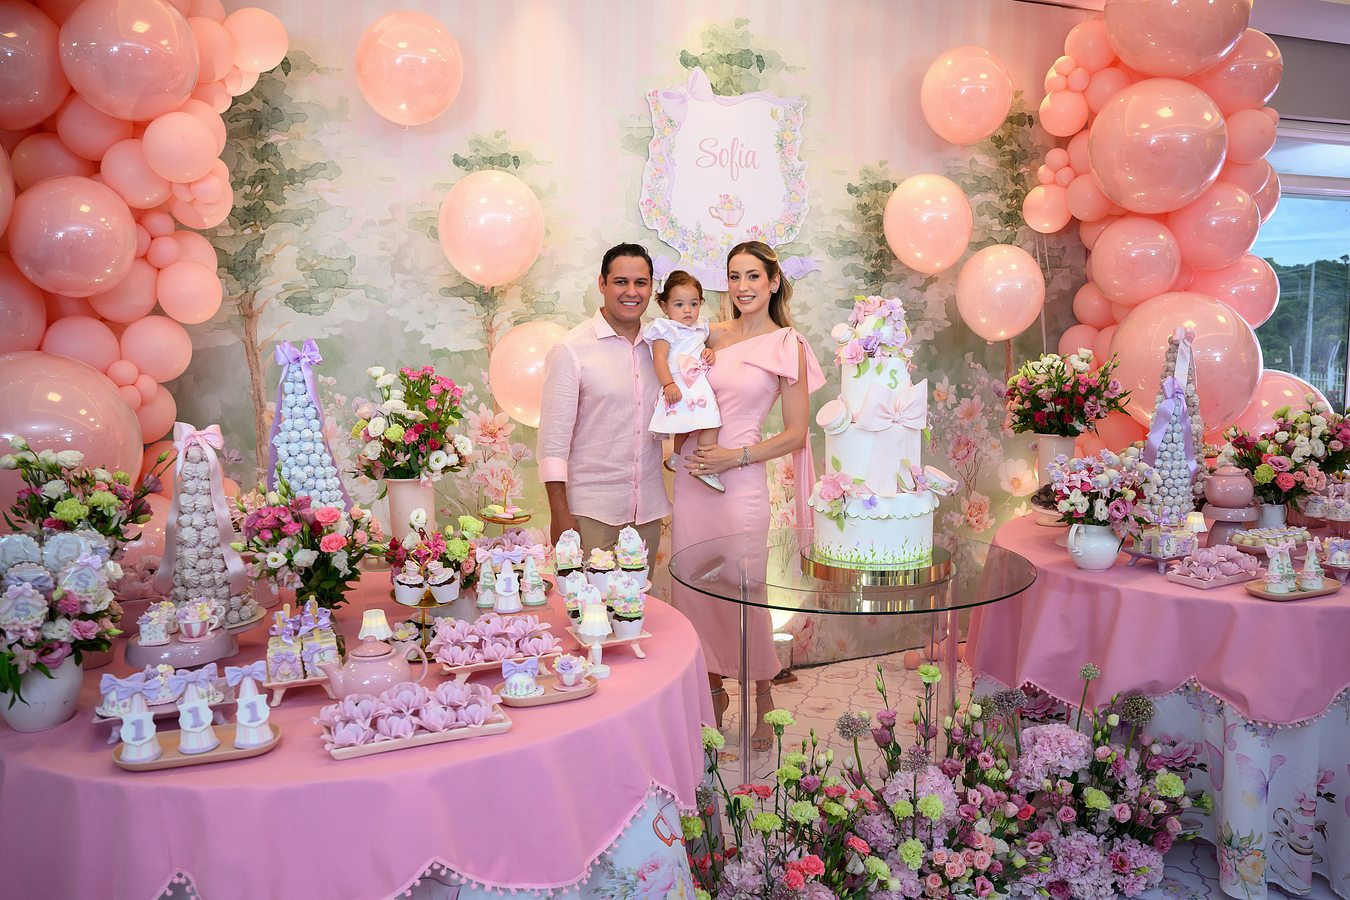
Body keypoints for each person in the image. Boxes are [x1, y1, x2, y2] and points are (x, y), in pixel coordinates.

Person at [670, 241, 824, 752]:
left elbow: (796, 434)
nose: (742, 286)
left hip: (740, 481)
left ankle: (761, 697)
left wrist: (733, 458)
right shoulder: (709, 334)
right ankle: (712, 695)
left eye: (753, 276)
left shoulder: (787, 344)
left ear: (773, 282)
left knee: (744, 589)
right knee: (693, 587)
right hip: (694, 477)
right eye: (734, 276)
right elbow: (680, 389)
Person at [537, 243, 668, 572]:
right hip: (590, 514)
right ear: (602, 284)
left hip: (647, 513)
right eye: (621, 281)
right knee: (586, 604)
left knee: (638, 601)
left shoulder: (661, 349)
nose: (631, 292)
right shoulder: (571, 350)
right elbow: (553, 443)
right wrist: (560, 515)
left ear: (651, 287)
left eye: (640, 283)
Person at [643, 271, 723, 492]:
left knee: (685, 425)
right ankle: (706, 467)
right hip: (678, 383)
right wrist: (668, 384)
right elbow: (659, 359)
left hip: (697, 380)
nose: (687, 310)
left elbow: (700, 349)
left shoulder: (700, 327)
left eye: (693, 304)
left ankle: (676, 459)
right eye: (679, 304)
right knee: (711, 421)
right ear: (665, 306)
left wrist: (709, 353)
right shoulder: (665, 329)